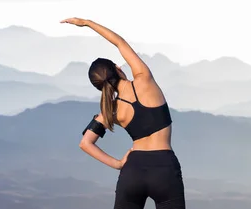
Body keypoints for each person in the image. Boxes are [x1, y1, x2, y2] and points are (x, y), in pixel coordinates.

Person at [61, 17, 186, 209]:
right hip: (165, 170)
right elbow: (119, 42)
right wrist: (87, 23)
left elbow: (85, 143)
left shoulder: (110, 110)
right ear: (118, 69)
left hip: (132, 171)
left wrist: (118, 164)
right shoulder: (144, 80)